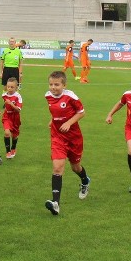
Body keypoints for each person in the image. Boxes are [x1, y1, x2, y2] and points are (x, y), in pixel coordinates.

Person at [44, 71, 90, 215]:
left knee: (75, 167)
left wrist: (69, 123)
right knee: (57, 167)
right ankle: (55, 202)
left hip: (74, 138)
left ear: (64, 85)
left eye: (57, 85)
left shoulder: (71, 96)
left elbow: (82, 112)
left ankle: (85, 181)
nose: (53, 87)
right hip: (57, 137)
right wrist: (53, 120)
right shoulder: (48, 96)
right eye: (51, 84)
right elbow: (55, 111)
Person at [1, 77, 23, 159]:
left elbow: (18, 110)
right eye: (8, 86)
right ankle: (8, 152)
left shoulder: (18, 97)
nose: (9, 89)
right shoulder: (4, 95)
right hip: (7, 116)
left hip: (15, 117)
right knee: (7, 133)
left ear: (16, 87)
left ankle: (13, 148)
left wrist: (11, 104)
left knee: (14, 135)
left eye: (12, 87)